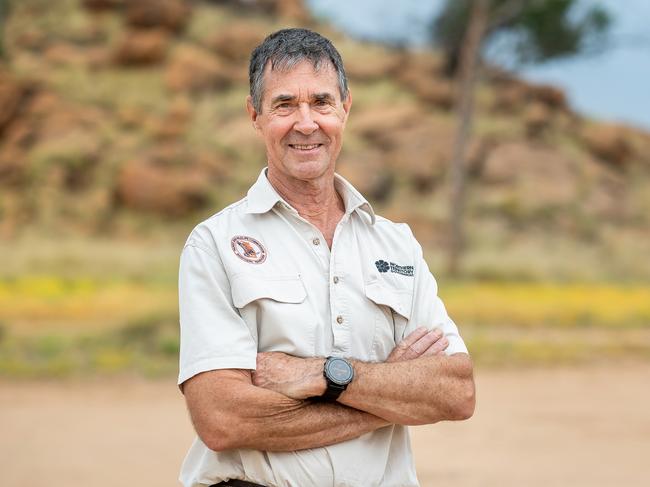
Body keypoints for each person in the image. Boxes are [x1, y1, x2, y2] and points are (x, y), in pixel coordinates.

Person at [177, 28, 475, 487]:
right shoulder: (214, 244)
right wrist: (387, 396)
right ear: (254, 115)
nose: (306, 122)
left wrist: (321, 375)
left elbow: (455, 392)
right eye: (284, 105)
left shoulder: (397, 246)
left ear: (345, 108)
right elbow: (222, 418)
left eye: (321, 102)